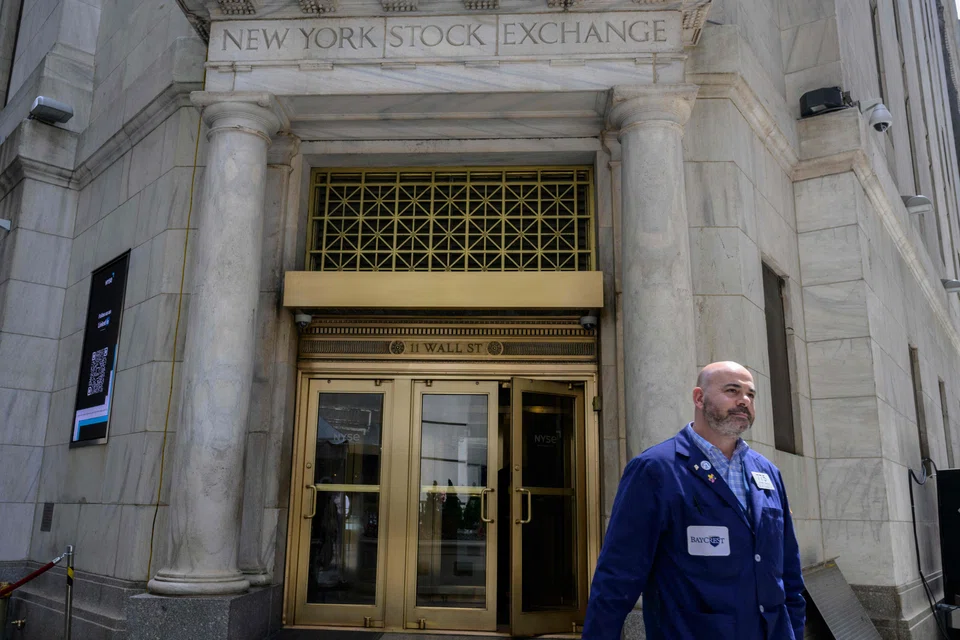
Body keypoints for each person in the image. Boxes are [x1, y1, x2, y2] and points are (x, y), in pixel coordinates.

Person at [582, 361, 805, 640]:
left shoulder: (767, 472)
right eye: (732, 390)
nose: (744, 401)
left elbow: (789, 571)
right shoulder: (655, 469)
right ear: (699, 398)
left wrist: (793, 630)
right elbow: (618, 574)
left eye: (750, 394)